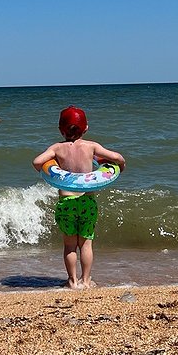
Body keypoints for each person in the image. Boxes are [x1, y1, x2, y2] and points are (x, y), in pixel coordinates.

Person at [32, 106, 126, 290]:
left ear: (60, 129)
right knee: (86, 244)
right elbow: (117, 157)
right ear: (86, 128)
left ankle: (72, 281)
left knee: (69, 246)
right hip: (87, 202)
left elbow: (37, 162)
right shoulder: (91, 146)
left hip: (66, 203)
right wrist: (120, 166)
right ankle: (86, 280)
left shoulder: (57, 148)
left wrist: (47, 169)